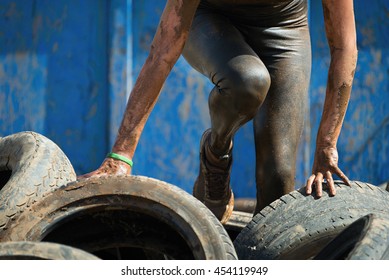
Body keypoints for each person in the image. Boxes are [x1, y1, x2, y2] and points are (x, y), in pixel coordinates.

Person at [80, 0, 357, 224]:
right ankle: (216, 156)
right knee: (247, 81)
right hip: (208, 19)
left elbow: (344, 47)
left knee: (279, 185)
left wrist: (326, 146)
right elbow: (163, 50)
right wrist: (121, 155)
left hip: (284, 27)